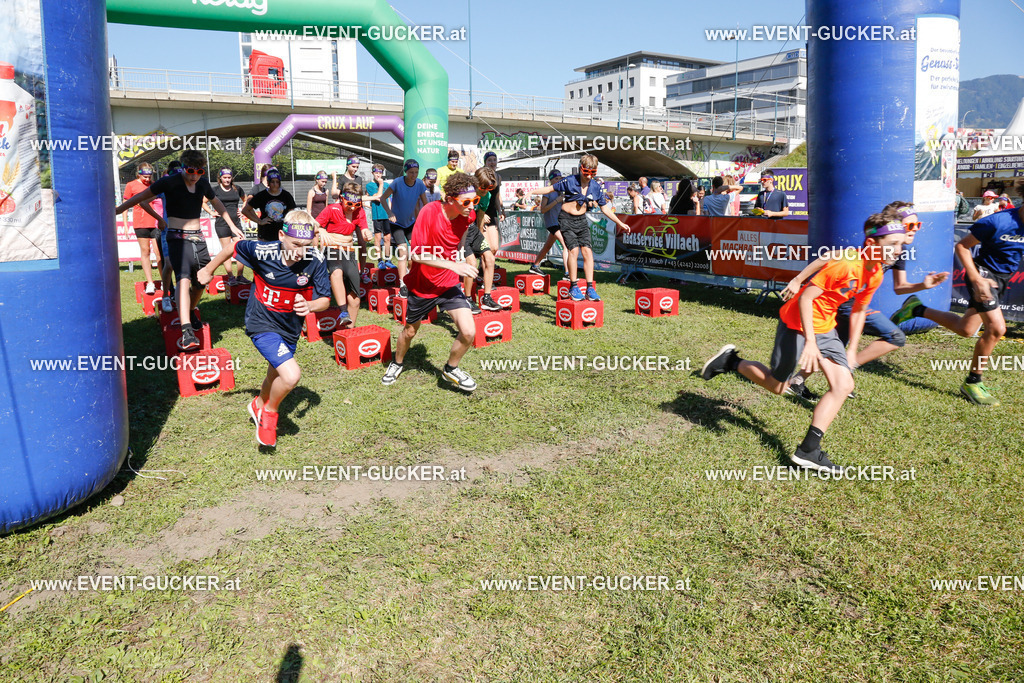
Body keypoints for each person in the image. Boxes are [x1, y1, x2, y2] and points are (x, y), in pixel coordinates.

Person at [702, 213, 907, 472]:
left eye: (901, 244)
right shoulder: (846, 264)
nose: (898, 250)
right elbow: (805, 298)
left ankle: (809, 450)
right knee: (778, 386)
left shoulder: (875, 273)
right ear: (871, 244)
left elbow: (857, 311)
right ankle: (731, 361)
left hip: (825, 328)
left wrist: (852, 349)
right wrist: (810, 342)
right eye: (892, 244)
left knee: (843, 385)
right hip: (798, 322)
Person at [782, 202, 948, 400]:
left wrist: (923, 285)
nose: (915, 230)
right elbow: (829, 257)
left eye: (917, 225)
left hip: (852, 303)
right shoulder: (869, 249)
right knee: (890, 337)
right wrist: (797, 280)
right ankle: (842, 373)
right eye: (910, 226)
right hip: (841, 303)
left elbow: (900, 287)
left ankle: (805, 379)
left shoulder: (897, 252)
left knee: (836, 347)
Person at [196, 210, 331, 447]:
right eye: (296, 244)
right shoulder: (262, 251)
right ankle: (268, 413)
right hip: (261, 323)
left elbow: (325, 301)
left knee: (275, 374)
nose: (300, 251)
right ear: (281, 235)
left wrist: (310, 304)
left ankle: (256, 404)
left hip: (289, 328)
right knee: (291, 376)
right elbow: (233, 247)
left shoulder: (316, 260)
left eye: (306, 245)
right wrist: (208, 270)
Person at [891, 178, 1024, 405]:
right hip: (982, 274)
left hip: (1001, 279)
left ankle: (917, 308)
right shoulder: (997, 221)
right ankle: (973, 382)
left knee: (966, 329)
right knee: (997, 329)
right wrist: (976, 278)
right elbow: (961, 246)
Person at [116, 150, 243, 350]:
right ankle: (186, 331)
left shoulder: (202, 183)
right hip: (176, 236)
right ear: (183, 168)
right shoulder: (169, 182)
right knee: (183, 278)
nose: (194, 176)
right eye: (190, 171)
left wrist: (232, 224)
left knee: (202, 280)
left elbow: (216, 202)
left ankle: (190, 310)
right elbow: (140, 198)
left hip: (198, 237)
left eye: (199, 171)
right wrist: (116, 211)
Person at [381, 171, 481, 392]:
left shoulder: (469, 216)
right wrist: (455, 266)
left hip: (448, 284)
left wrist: (460, 256)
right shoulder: (429, 211)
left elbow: (460, 239)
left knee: (468, 332)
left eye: (475, 200)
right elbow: (415, 255)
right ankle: (396, 363)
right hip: (423, 284)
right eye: (467, 201)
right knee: (409, 331)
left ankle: (451, 368)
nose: (472, 206)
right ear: (450, 199)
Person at [529, 154, 631, 302]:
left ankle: (590, 288)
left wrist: (620, 223)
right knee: (573, 250)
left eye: (593, 173)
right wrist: (531, 192)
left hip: (581, 220)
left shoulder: (595, 187)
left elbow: (605, 209)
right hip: (566, 219)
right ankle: (573, 286)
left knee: (588, 252)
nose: (589, 177)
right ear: (580, 169)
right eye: (586, 172)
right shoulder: (570, 181)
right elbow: (550, 189)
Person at [316, 182, 373, 328]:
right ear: (342, 198)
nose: (352, 207)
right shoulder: (332, 209)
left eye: (356, 204)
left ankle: (350, 330)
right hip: (332, 248)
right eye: (349, 204)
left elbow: (364, 228)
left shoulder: (359, 212)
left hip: (349, 251)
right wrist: (321, 231)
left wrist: (367, 233)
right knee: (336, 272)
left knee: (355, 299)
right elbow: (314, 224)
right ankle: (342, 311)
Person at [381, 159, 429, 298]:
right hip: (396, 223)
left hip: (411, 223)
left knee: (414, 255)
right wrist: (389, 213)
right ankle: (403, 284)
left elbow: (425, 204)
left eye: (416, 172)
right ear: (405, 171)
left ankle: (411, 278)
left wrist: (425, 219)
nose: (414, 175)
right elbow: (383, 198)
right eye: (411, 172)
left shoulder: (419, 184)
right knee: (403, 252)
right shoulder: (397, 182)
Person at [460, 167, 501, 313]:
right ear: (476, 182)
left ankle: (487, 298)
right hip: (460, 230)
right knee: (471, 263)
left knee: (489, 258)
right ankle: (467, 299)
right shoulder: (464, 191)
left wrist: (479, 237)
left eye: (490, 187)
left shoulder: (487, 195)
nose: (486, 190)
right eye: (483, 187)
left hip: (473, 229)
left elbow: (480, 216)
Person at [122, 162, 164, 295]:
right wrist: (125, 224)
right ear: (138, 174)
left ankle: (165, 281)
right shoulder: (131, 185)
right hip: (140, 222)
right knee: (145, 251)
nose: (147, 179)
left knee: (159, 253)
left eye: (149, 176)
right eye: (144, 177)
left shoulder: (154, 185)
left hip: (156, 222)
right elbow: (125, 205)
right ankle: (150, 283)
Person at [203, 167, 248, 286]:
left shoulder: (237, 189)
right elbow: (203, 201)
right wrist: (211, 212)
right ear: (220, 178)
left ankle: (240, 276)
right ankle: (231, 277)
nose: (227, 180)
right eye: (225, 178)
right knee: (226, 251)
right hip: (221, 224)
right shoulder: (215, 190)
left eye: (229, 177)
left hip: (236, 223)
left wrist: (242, 210)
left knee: (241, 248)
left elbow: (246, 200)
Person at [529, 170, 567, 276]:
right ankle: (568, 273)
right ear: (551, 180)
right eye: (556, 179)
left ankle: (535, 266)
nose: (559, 180)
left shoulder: (561, 191)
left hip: (559, 222)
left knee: (548, 246)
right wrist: (557, 201)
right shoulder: (548, 192)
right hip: (552, 223)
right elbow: (543, 210)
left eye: (560, 178)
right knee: (566, 245)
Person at [243, 168, 297, 242]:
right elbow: (245, 210)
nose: (275, 184)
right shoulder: (261, 195)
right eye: (272, 182)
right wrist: (259, 221)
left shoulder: (286, 195)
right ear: (268, 182)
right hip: (265, 233)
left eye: (277, 182)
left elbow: (292, 213)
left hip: (283, 233)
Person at [364, 163, 394, 269]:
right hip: (377, 215)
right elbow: (378, 197)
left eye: (380, 173)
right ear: (372, 173)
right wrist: (380, 184)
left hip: (386, 215)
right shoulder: (370, 185)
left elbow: (388, 200)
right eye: (376, 173)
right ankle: (379, 260)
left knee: (387, 237)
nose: (378, 175)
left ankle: (388, 259)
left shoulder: (386, 185)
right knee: (377, 237)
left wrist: (390, 213)